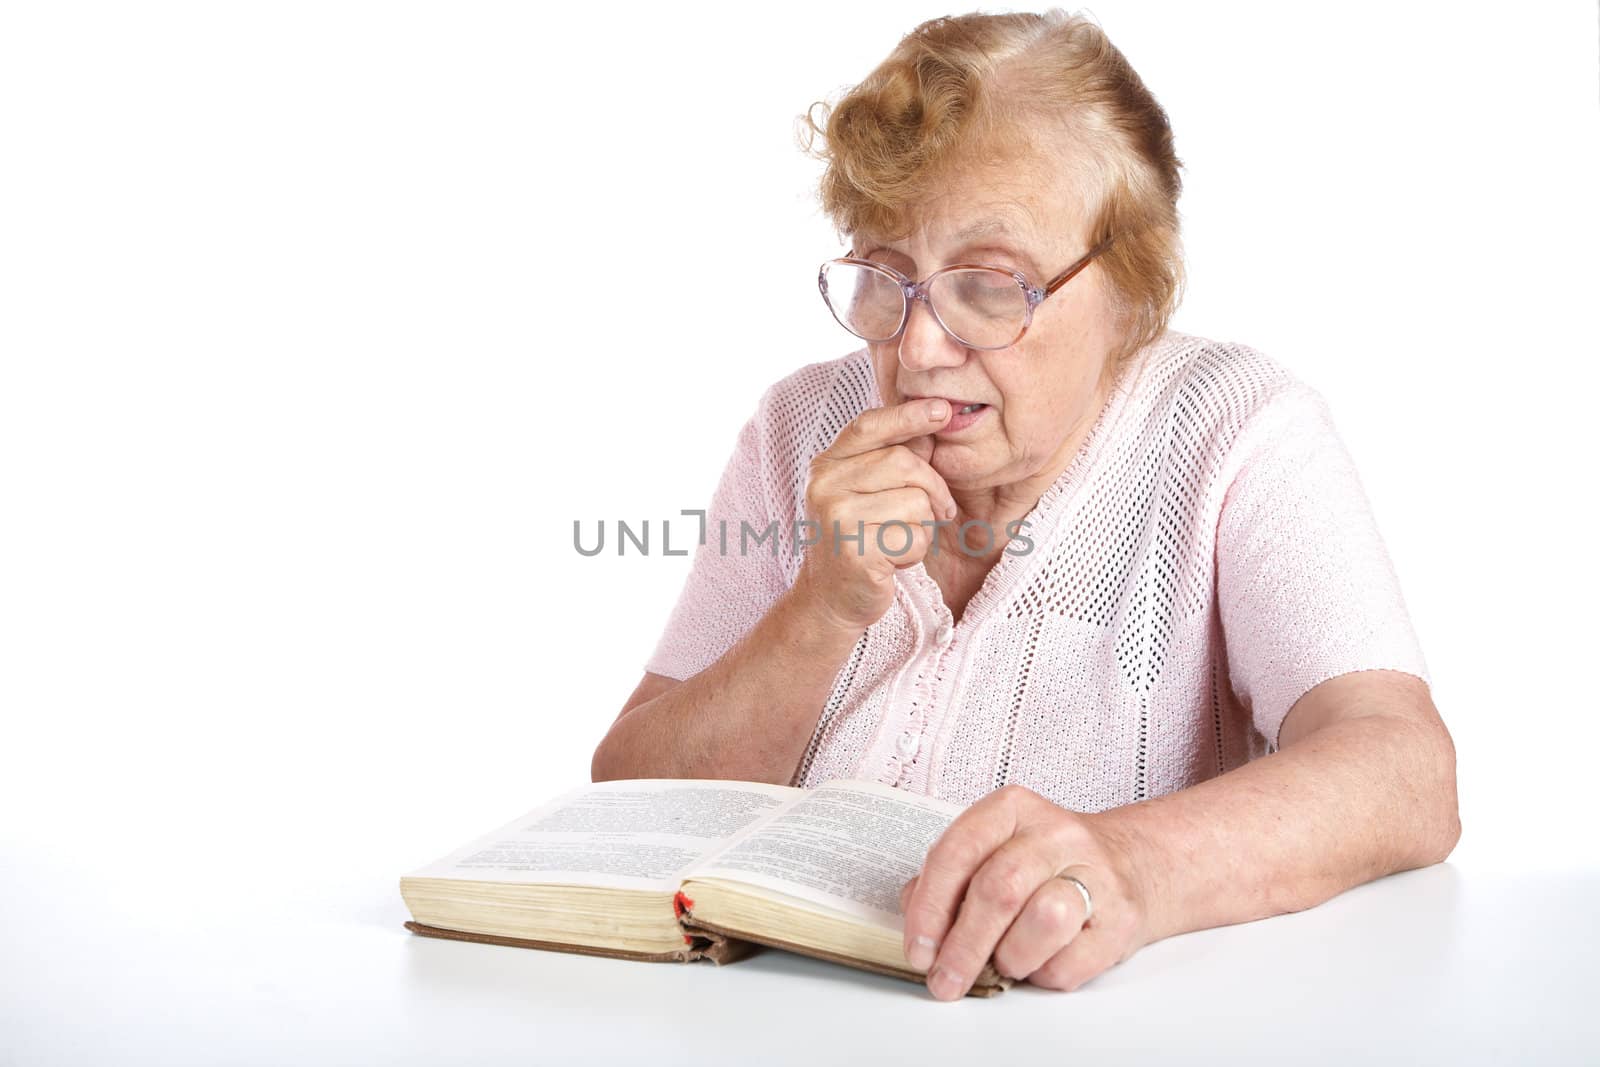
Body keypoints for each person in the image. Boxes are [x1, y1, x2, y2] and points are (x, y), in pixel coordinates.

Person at [590, 8, 1459, 1000]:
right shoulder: (800, 424)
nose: (915, 349)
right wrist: (821, 609)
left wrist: (1131, 866)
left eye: (990, 286)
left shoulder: (1237, 428)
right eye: (886, 275)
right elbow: (628, 803)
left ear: (1131, 287)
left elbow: (1405, 771)